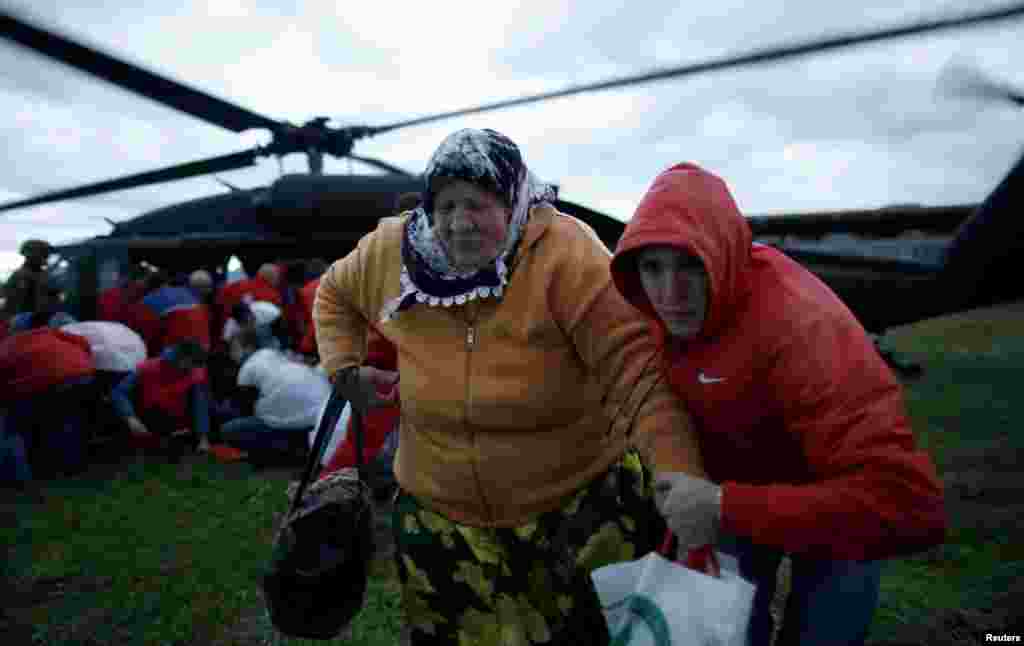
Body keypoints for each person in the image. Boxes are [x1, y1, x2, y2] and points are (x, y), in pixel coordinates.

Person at [313, 128, 706, 645]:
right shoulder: (393, 251)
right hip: (440, 518)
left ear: (514, 199)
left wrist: (682, 476)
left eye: (477, 204)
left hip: (571, 510)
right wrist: (345, 367)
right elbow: (334, 294)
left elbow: (638, 376)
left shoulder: (566, 255)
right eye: (446, 205)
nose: (458, 223)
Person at [608, 162, 948, 646]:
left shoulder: (803, 327)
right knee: (721, 636)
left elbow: (911, 504)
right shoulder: (648, 313)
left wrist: (725, 507)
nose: (669, 292)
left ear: (722, 258)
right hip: (735, 496)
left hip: (835, 504)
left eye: (688, 264)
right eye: (652, 267)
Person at [218, 326, 330, 465]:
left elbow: (244, 409)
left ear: (246, 348)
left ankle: (282, 452)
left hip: (293, 424)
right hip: (322, 416)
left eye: (234, 349)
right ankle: (302, 447)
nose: (231, 354)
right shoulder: (277, 355)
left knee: (230, 429)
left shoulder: (247, 368)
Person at [0, 326, 96, 484]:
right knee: (70, 418)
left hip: (51, 382)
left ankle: (49, 469)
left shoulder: (6, 346)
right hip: (82, 372)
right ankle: (76, 465)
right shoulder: (50, 331)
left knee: (51, 421)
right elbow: (83, 341)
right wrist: (80, 359)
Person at [111, 339, 212, 459]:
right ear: (183, 358)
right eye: (192, 364)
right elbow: (119, 392)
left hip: (177, 422)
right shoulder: (148, 367)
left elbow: (200, 405)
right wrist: (130, 417)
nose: (193, 369)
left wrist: (203, 439)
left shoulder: (195, 374)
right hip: (145, 418)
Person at [2, 239, 52, 318]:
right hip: (25, 322)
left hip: (40, 320)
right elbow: (15, 305)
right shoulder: (21, 276)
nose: (46, 258)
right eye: (44, 255)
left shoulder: (44, 274)